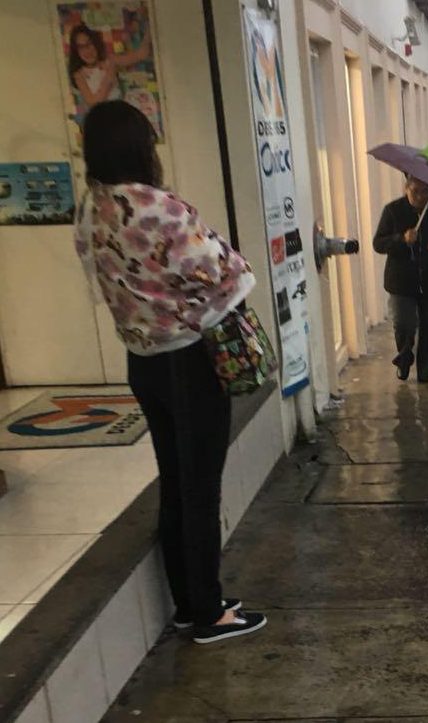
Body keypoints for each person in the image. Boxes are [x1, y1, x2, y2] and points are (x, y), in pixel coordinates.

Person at [73, 101, 265, 644]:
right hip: (190, 360)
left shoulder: (91, 209)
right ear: (140, 148)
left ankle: (190, 601)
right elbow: (227, 274)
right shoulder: (160, 207)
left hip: (144, 364)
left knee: (176, 482)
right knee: (201, 488)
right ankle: (209, 615)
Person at [374, 176, 428, 384]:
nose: (420, 196)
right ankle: (404, 357)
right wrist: (401, 240)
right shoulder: (393, 210)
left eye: (425, 191)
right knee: (404, 324)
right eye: (415, 191)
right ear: (406, 189)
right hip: (401, 281)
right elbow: (379, 243)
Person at [67, 22, 151, 112]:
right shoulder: (79, 75)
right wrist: (109, 76)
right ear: (76, 51)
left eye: (89, 44)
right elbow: (94, 104)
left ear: (95, 43)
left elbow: (141, 55)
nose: (87, 50)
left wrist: (148, 32)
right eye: (81, 47)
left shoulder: (110, 60)